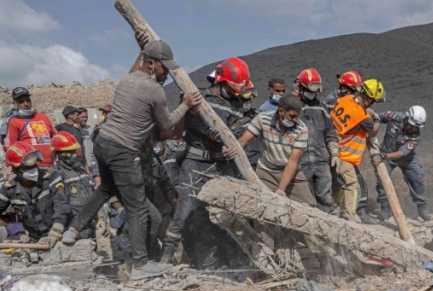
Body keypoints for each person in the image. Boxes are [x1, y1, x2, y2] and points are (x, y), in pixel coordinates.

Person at [61, 39, 201, 275]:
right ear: (152, 64)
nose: (166, 72)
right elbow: (167, 124)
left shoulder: (125, 80)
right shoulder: (154, 90)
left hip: (102, 143)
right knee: (138, 208)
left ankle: (73, 228)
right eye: (164, 67)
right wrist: (186, 105)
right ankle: (140, 264)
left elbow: (137, 66)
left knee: (106, 189)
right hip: (123, 150)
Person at [160, 57, 253, 264]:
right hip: (195, 163)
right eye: (231, 90)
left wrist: (237, 143)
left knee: (229, 214)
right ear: (219, 83)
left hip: (222, 165)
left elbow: (242, 129)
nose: (235, 95)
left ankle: (234, 260)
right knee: (185, 211)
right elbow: (190, 127)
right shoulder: (198, 100)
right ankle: (165, 260)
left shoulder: (239, 105)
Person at [236, 94, 315, 204]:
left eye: (298, 116)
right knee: (263, 204)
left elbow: (293, 161)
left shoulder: (302, 129)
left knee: (309, 205)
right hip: (266, 170)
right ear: (281, 111)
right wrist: (233, 149)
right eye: (292, 116)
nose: (295, 120)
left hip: (290, 172)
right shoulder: (263, 118)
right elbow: (244, 140)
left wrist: (281, 189)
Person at [330, 79, 385, 222]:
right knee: (352, 184)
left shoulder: (345, 99)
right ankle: (349, 214)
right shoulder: (360, 116)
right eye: (373, 101)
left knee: (339, 185)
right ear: (367, 98)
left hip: (334, 147)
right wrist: (377, 119)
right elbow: (373, 131)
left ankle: (343, 210)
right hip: (345, 155)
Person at [374, 106, 433, 221]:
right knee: (382, 180)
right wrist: (373, 125)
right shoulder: (395, 116)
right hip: (387, 154)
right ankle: (385, 210)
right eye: (412, 125)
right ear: (407, 117)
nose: (413, 129)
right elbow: (377, 117)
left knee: (417, 178)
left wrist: (384, 156)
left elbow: (402, 152)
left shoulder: (415, 136)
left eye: (416, 127)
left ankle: (422, 210)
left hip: (406, 158)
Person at [0, 142, 65, 244]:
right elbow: (6, 216)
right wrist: (18, 232)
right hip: (33, 240)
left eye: (35, 165)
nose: (34, 170)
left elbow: (62, 205)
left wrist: (57, 229)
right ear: (16, 170)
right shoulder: (9, 188)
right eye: (28, 168)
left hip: (59, 234)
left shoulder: (51, 177)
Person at [294, 68, 339, 211]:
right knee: (304, 201)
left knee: (325, 199)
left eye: (315, 91)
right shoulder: (291, 106)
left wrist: (334, 152)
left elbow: (330, 132)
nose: (313, 95)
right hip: (299, 163)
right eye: (310, 91)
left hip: (321, 161)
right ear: (300, 87)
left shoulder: (322, 108)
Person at [49, 131, 96, 239]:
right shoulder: (57, 174)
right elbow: (60, 203)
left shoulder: (81, 169)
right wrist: (58, 227)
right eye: (70, 151)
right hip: (74, 226)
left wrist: (100, 217)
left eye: (74, 150)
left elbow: (93, 194)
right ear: (59, 154)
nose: (75, 154)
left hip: (90, 221)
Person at [4, 87, 57, 168]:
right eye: (21, 101)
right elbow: (11, 147)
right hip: (31, 168)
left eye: (28, 100)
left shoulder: (43, 117)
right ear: (15, 103)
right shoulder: (14, 121)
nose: (26, 103)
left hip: (51, 165)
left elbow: (55, 137)